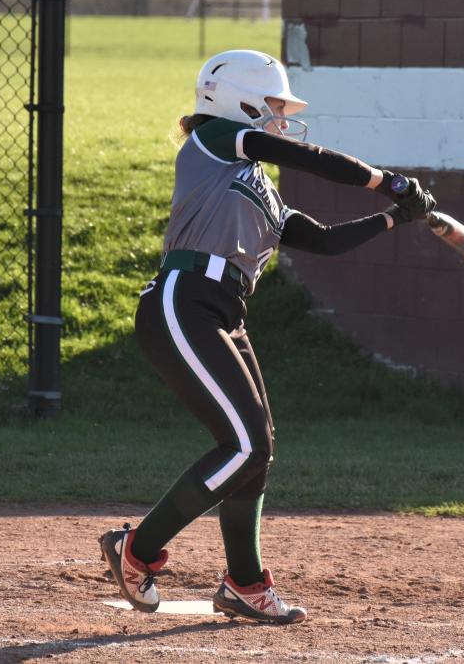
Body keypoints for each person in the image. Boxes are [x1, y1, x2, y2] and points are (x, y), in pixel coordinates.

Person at [98, 49, 436, 623]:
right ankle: (137, 549)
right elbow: (300, 154)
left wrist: (394, 218)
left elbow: (324, 240)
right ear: (239, 99)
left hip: (224, 310)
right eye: (274, 104)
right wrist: (389, 181)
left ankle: (244, 584)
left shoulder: (256, 185)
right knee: (246, 444)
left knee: (257, 449)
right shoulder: (215, 143)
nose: (281, 116)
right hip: (184, 301)